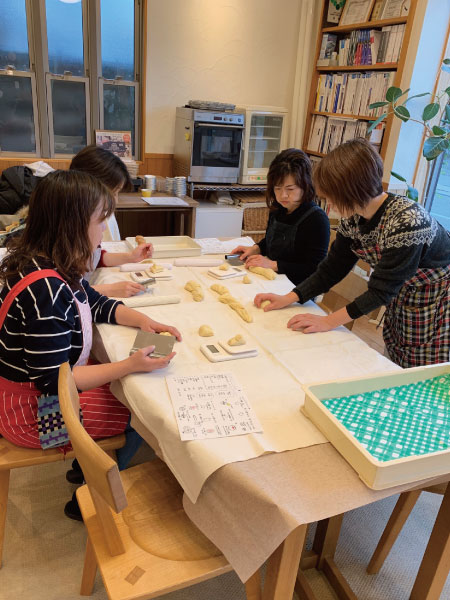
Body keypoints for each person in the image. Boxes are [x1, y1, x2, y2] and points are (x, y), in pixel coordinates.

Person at [0, 170, 181, 518]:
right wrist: (129, 366)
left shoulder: (47, 261)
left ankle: (83, 469)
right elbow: (53, 381)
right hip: (32, 414)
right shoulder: (46, 291)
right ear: (71, 225)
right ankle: (89, 496)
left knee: (129, 386)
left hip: (35, 392)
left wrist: (143, 320)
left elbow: (93, 301)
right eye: (100, 222)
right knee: (142, 410)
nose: (102, 234)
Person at [254, 138, 450, 368]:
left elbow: (379, 293)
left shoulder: (407, 222)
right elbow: (330, 269)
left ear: (352, 190)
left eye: (332, 197)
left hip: (436, 300)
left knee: (426, 370)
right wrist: (290, 297)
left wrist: (328, 321)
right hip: (401, 294)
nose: (330, 204)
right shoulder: (354, 219)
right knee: (399, 358)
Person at [231, 148, 330, 285]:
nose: (283, 195)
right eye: (277, 188)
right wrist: (255, 248)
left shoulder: (317, 219)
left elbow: (314, 269)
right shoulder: (278, 208)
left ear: (305, 185)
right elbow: (272, 242)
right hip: (271, 279)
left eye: (290, 189)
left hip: (297, 289)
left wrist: (274, 265)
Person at [70, 144, 153, 298]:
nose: (115, 200)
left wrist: (130, 257)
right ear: (89, 187)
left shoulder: (88, 219)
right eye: (113, 193)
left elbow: (95, 256)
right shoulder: (65, 230)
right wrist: (107, 290)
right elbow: (60, 293)